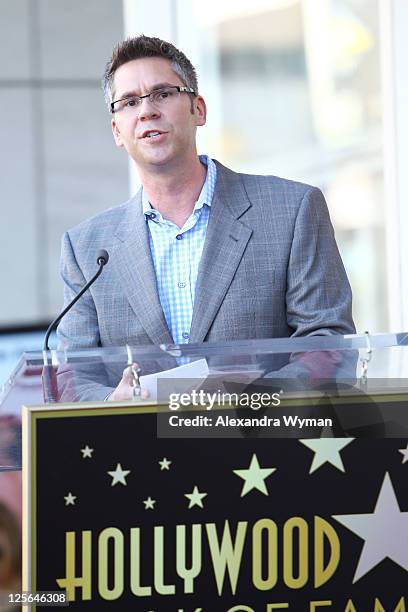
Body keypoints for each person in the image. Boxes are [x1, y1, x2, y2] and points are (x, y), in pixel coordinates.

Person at [56, 35, 355, 402]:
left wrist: (246, 401)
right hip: (139, 453)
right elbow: (73, 377)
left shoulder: (292, 210)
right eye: (130, 102)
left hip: (265, 446)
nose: (147, 110)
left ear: (199, 109)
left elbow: (328, 344)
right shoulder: (86, 249)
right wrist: (111, 406)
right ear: (117, 130)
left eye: (163, 93)